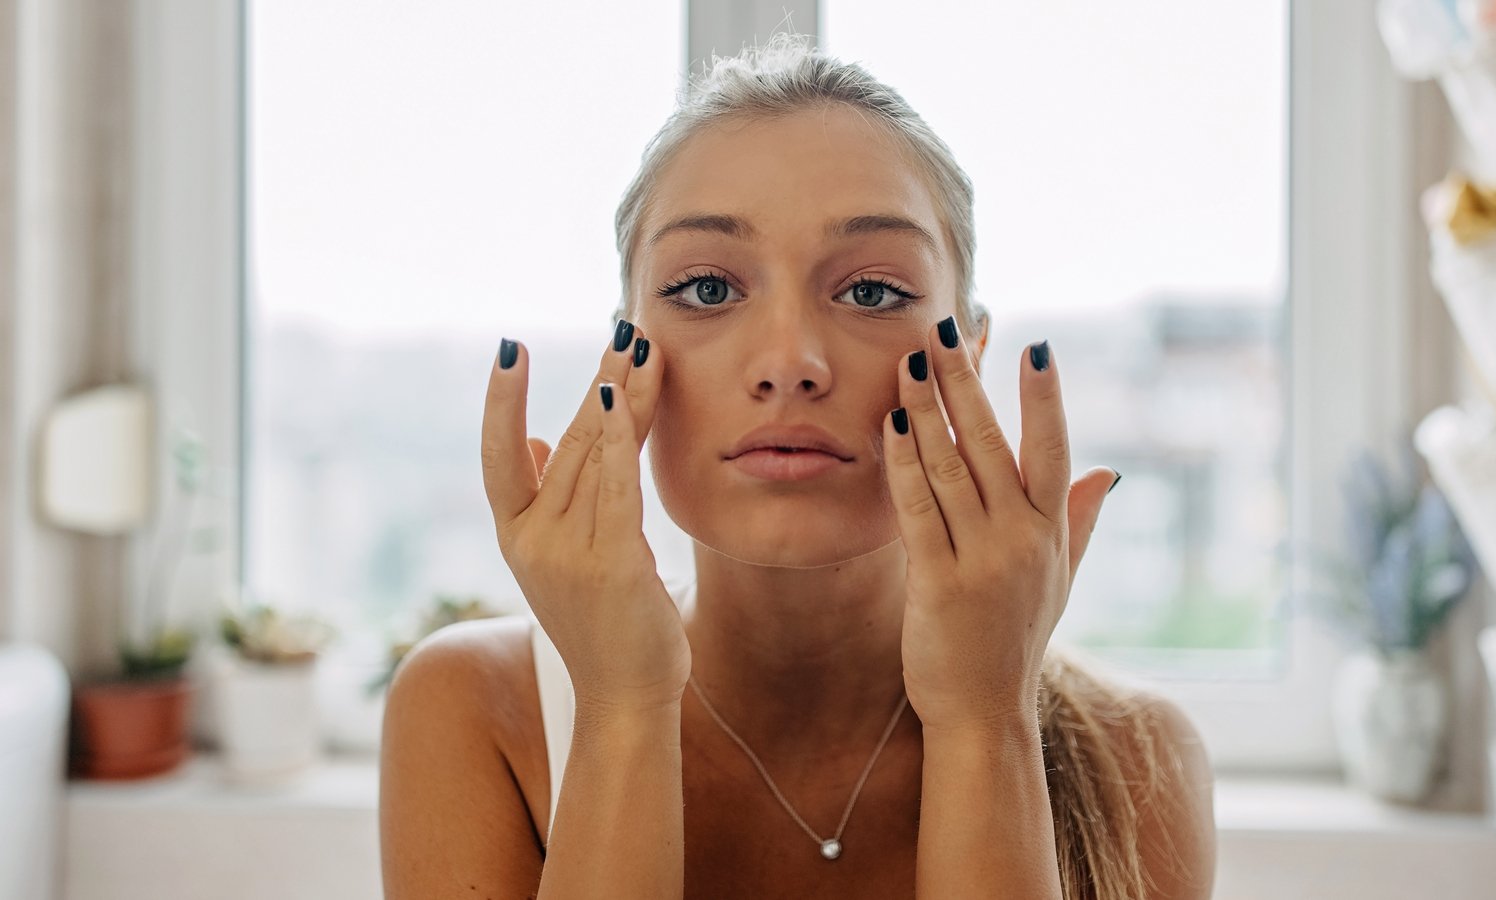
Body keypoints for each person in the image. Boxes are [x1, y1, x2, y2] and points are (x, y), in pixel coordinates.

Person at [381, 33, 1215, 899]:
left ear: (968, 352)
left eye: (871, 291)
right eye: (708, 289)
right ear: (628, 354)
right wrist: (622, 707)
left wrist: (984, 719)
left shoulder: (1135, 758)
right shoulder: (478, 708)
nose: (790, 363)